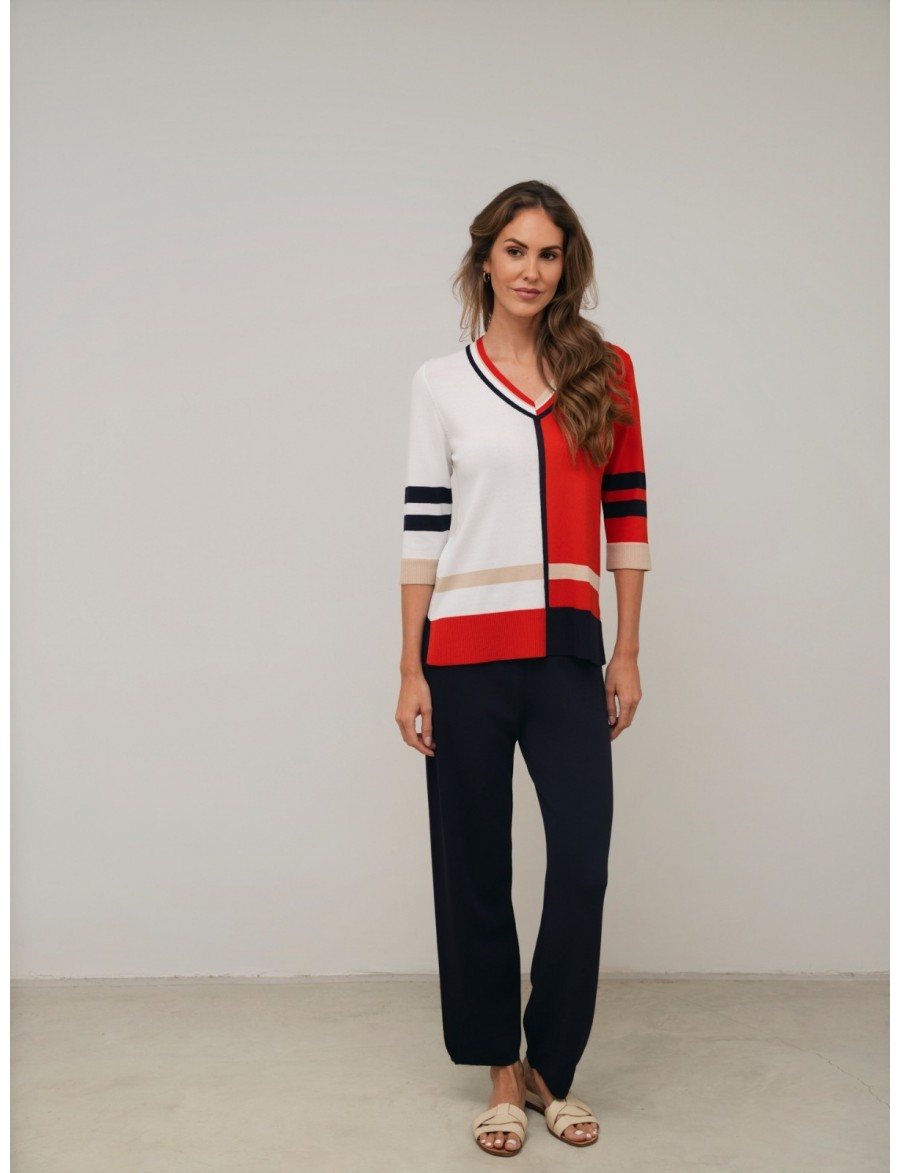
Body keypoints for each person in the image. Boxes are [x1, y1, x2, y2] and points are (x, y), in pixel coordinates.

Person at [395, 179, 650, 1157]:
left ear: (565, 266)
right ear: (485, 259)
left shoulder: (606, 372)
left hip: (569, 654)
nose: (531, 271)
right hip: (463, 655)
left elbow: (628, 515)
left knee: (581, 861)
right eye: (515, 251)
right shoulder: (441, 383)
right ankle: (501, 1069)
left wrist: (627, 649)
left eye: (548, 254)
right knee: (474, 867)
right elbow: (423, 526)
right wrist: (410, 667)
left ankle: (553, 1065)